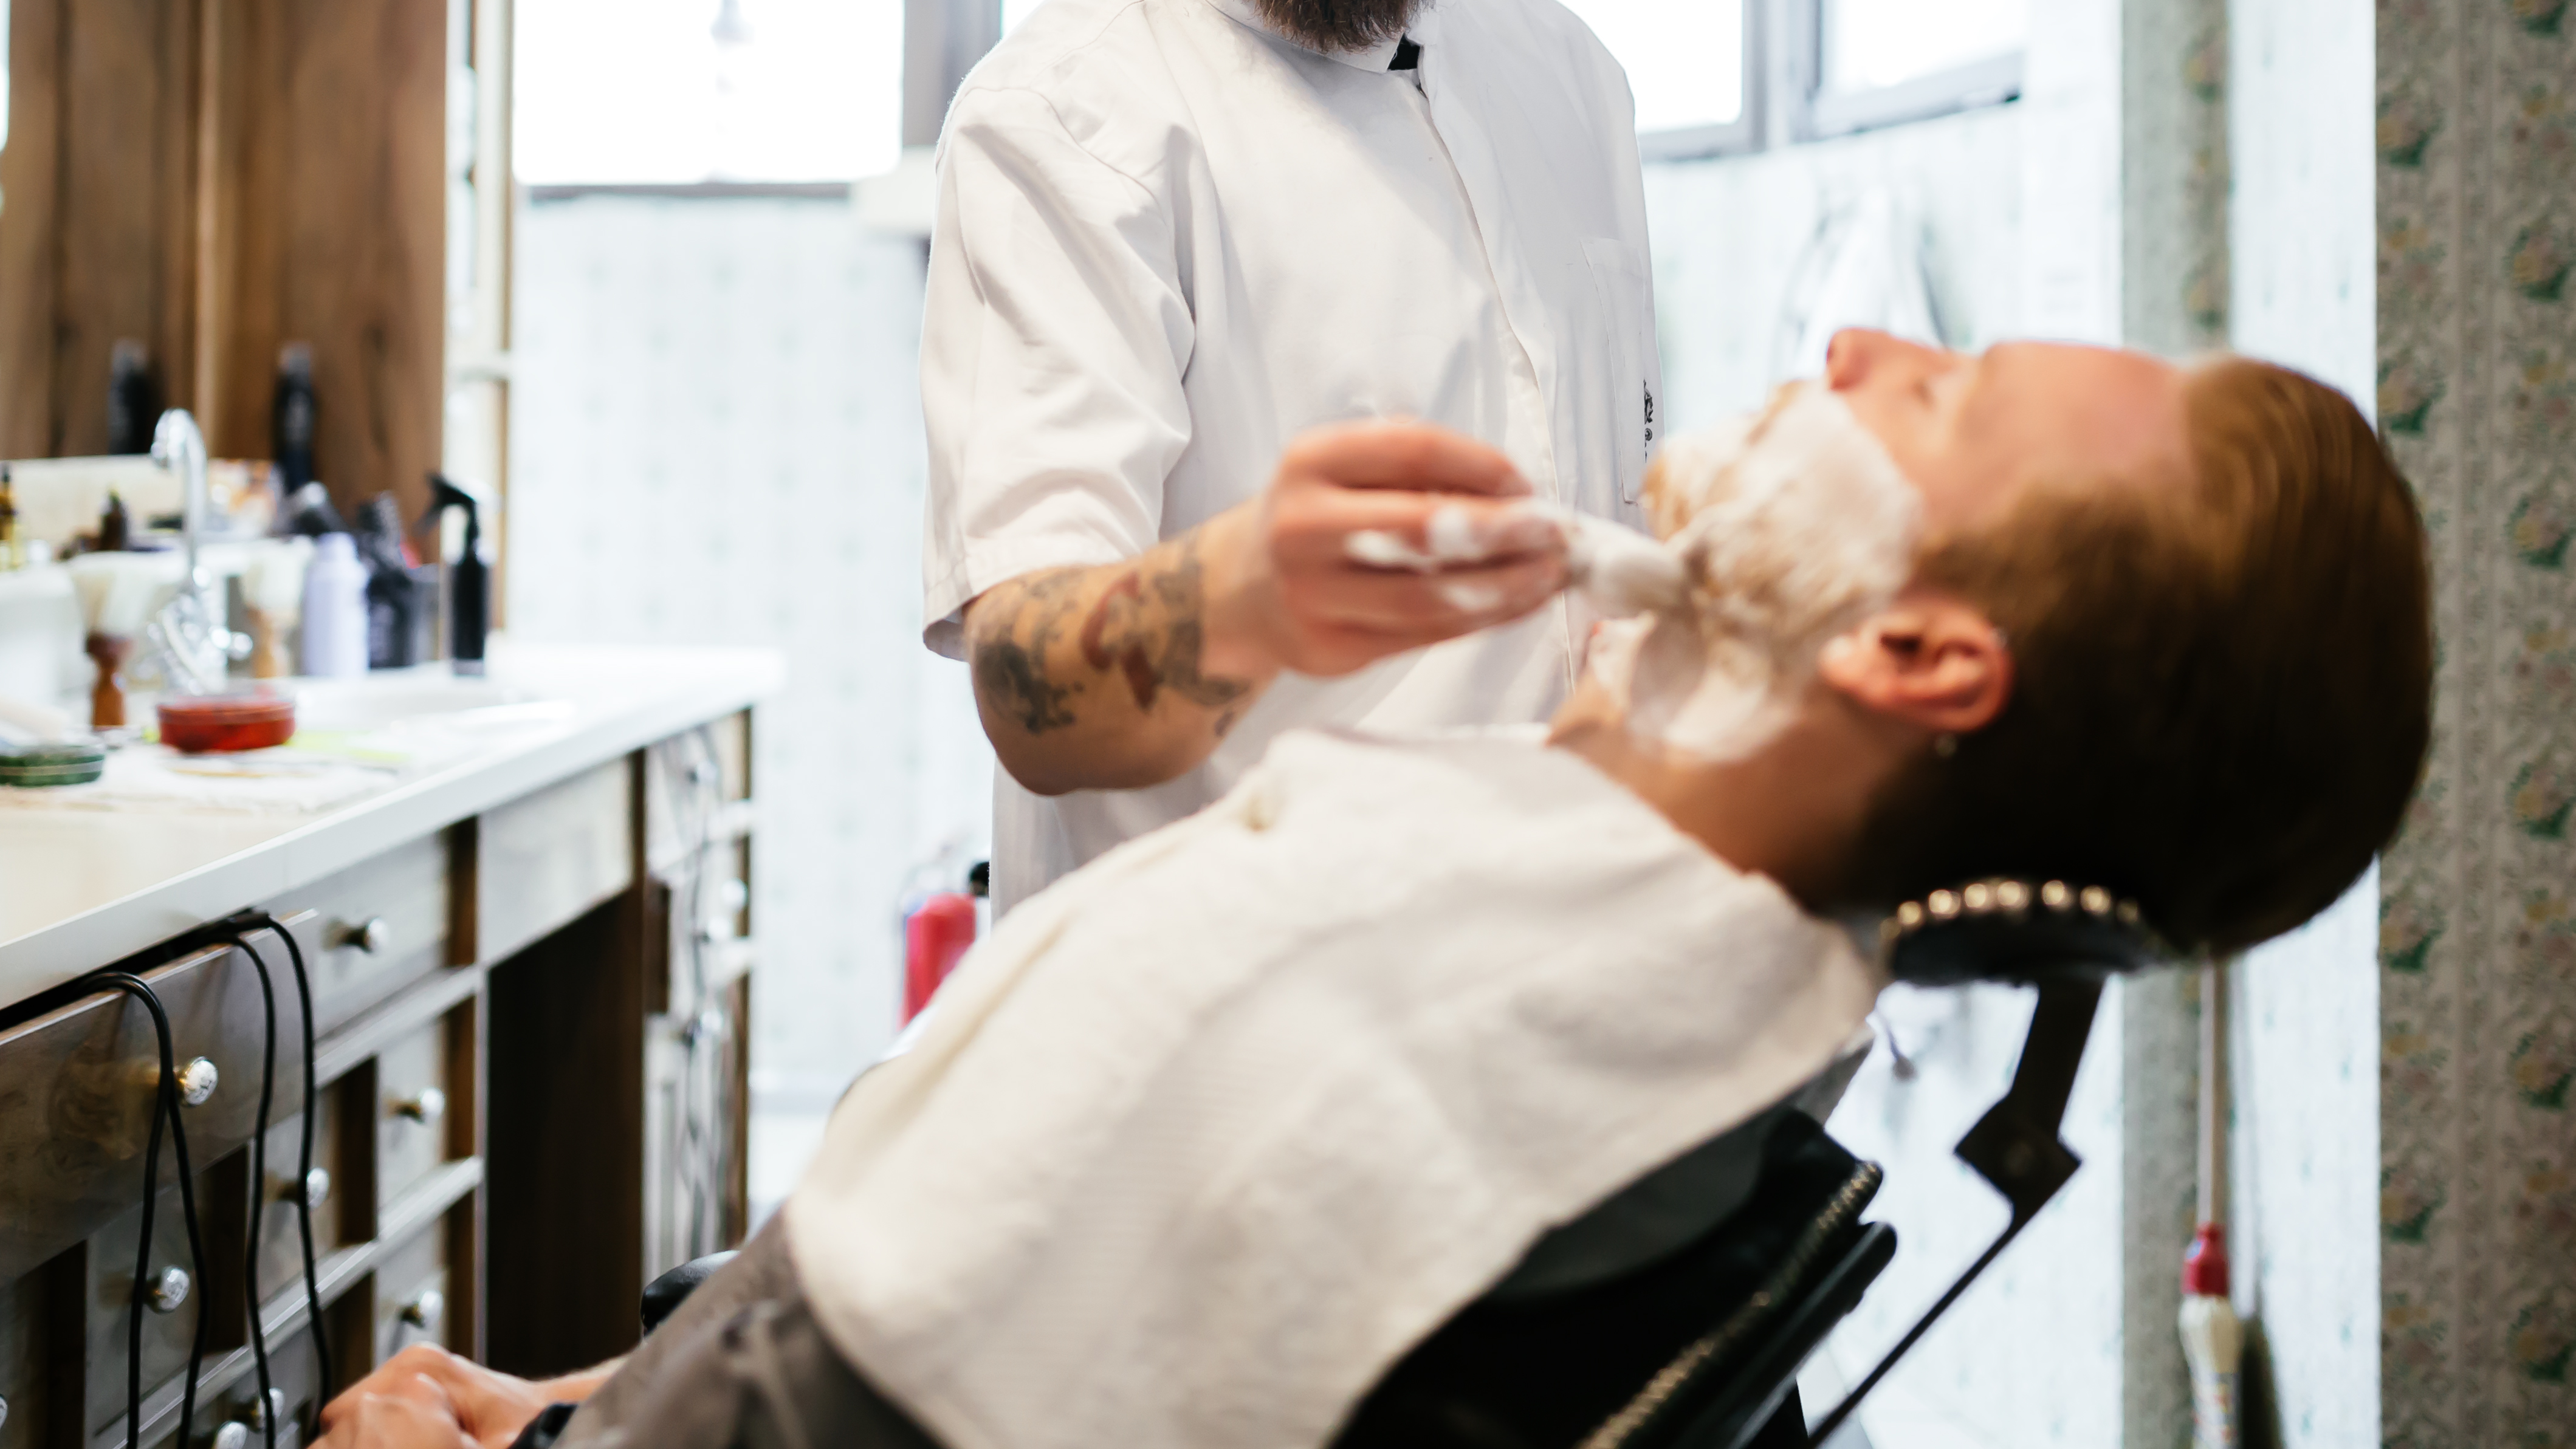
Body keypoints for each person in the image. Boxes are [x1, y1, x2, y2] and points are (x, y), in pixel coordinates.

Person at [318, 331, 2434, 1449]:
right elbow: (1010, 1317)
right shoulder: (1680, 975)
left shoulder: (1457, 1002)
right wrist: (586, 1400)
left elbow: (905, 1375)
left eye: (1939, 391)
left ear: (1908, 656)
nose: (1868, 337)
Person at [924, 0, 1663, 911]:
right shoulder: (1069, 120)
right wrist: (1252, 590)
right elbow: (1027, 694)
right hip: (1222, 1053)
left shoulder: (1567, 74)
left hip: (1547, 997)